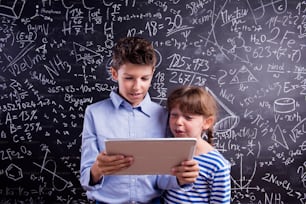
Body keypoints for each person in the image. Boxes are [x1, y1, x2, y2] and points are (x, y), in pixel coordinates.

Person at [80, 36, 199, 203]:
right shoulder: (94, 113)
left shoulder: (164, 115)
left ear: (152, 74)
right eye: (129, 78)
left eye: (145, 78)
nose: (137, 87)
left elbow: (163, 178)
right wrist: (97, 170)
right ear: (114, 73)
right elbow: (86, 179)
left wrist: (182, 178)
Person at [163, 86, 231, 204]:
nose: (178, 122)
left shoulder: (217, 165)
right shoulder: (168, 152)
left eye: (188, 117)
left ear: (207, 122)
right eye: (174, 115)